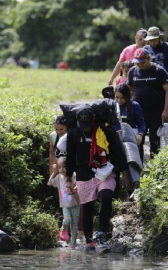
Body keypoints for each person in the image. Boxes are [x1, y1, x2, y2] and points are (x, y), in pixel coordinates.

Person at [66, 105, 131, 252]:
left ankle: (101, 233)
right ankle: (89, 240)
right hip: (84, 174)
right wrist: (69, 178)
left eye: (88, 125)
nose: (86, 129)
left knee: (107, 196)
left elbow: (117, 150)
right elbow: (70, 156)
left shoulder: (105, 130)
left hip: (105, 171)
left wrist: (125, 171)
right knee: (87, 208)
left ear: (93, 118)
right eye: (83, 126)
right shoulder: (74, 132)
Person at [127, 48, 168, 158]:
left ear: (149, 58)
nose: (140, 65)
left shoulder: (159, 71)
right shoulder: (132, 71)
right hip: (138, 113)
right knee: (138, 140)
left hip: (156, 112)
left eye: (142, 62)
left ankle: (154, 166)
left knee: (154, 140)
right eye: (137, 62)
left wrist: (166, 110)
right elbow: (128, 91)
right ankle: (139, 168)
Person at [47, 157, 80, 249]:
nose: (62, 169)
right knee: (67, 220)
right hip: (65, 205)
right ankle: (63, 229)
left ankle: (72, 245)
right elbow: (49, 183)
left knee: (74, 225)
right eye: (60, 167)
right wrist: (54, 173)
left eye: (64, 167)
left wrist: (76, 187)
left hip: (75, 204)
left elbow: (78, 183)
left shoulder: (73, 175)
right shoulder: (58, 178)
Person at [143, 26, 168, 91]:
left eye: (155, 40)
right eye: (150, 40)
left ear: (160, 37)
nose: (152, 42)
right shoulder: (145, 50)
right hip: (151, 84)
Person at [113, 83, 146, 147]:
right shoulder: (112, 105)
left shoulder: (135, 106)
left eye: (122, 98)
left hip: (132, 139)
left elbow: (141, 123)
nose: (119, 100)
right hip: (117, 139)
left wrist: (140, 135)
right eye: (117, 97)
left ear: (127, 96)